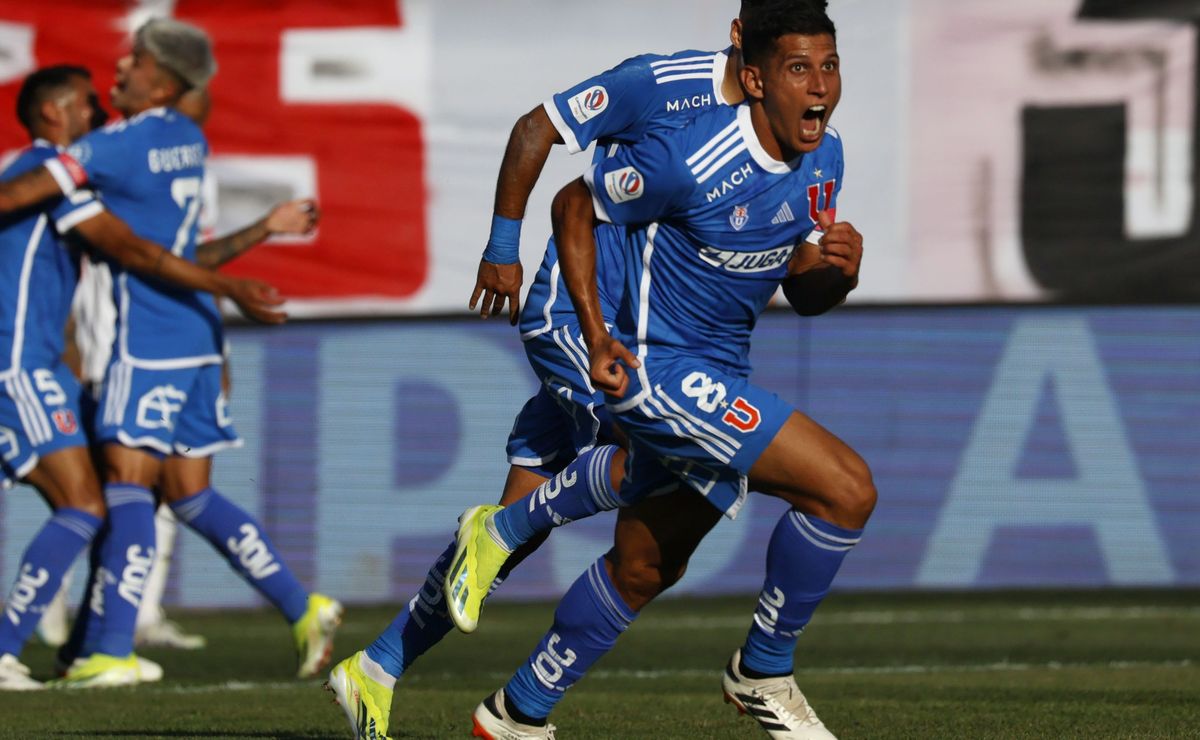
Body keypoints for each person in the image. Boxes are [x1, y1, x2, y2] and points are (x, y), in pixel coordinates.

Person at [325, 3, 770, 736]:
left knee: (512, 534)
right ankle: (501, 620)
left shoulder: (770, 135)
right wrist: (503, 244)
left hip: (638, 344)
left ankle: (373, 669)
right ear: (739, 38)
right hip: (576, 323)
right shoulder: (658, 84)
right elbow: (536, 128)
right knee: (656, 455)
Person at [468, 3, 874, 737]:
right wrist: (594, 334)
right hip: (659, 366)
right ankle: (764, 669)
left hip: (724, 368)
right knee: (845, 488)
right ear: (754, 78)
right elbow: (575, 201)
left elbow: (806, 292)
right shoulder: (692, 153)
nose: (819, 85)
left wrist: (839, 275)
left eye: (830, 66)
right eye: (798, 68)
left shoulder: (827, 158)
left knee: (645, 566)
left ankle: (516, 714)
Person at [0, 19, 341, 686]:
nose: (113, 79)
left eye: (132, 65)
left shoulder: (104, 153)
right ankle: (299, 607)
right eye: (89, 96)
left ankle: (102, 649)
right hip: (193, 339)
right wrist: (254, 245)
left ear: (159, 80)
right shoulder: (188, 140)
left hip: (144, 344)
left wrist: (229, 282)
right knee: (174, 496)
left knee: (109, 495)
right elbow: (172, 254)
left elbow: (136, 253)